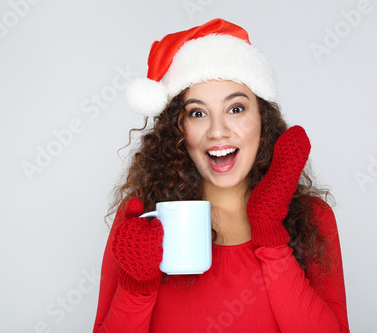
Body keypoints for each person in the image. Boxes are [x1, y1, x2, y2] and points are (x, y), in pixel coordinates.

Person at [93, 18, 349, 332]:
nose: (217, 130)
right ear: (178, 129)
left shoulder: (313, 217)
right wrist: (137, 285)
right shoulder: (142, 221)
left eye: (236, 108)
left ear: (262, 121)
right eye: (197, 113)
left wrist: (270, 231)